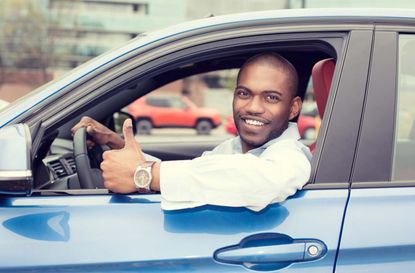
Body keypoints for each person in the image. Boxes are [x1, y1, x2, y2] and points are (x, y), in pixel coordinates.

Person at [72, 52, 311, 212]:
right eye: (244, 93)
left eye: (271, 97)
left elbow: (258, 180)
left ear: (293, 108)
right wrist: (116, 143)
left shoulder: (292, 157)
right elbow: (199, 172)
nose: (253, 107)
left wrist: (143, 175)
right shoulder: (233, 148)